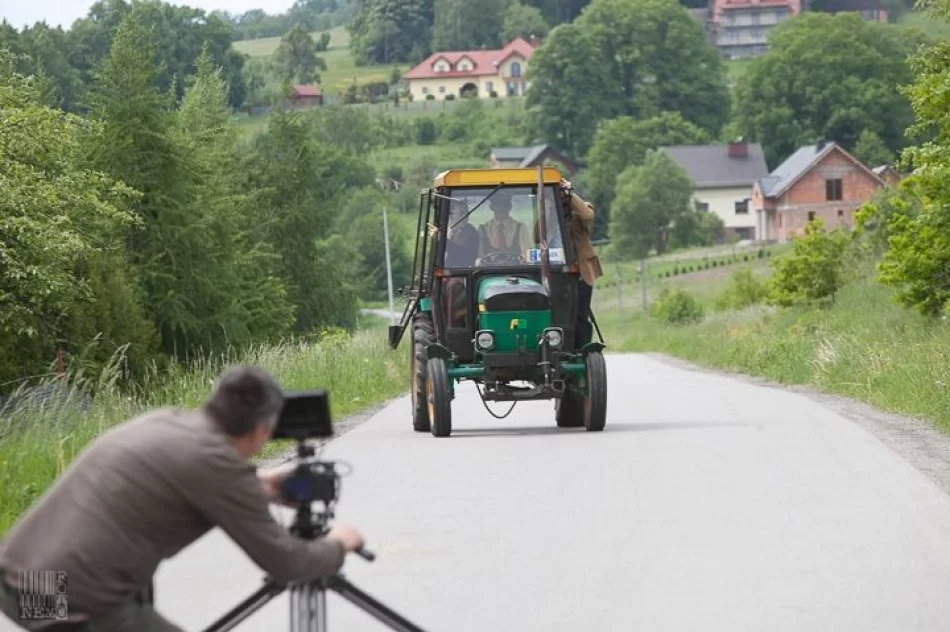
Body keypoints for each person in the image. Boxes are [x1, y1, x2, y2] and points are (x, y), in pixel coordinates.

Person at [0, 366, 366, 632]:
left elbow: (187, 474)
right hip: (67, 603)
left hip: (18, 585)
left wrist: (258, 485)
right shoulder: (218, 465)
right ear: (261, 429)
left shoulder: (168, 422)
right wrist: (340, 543)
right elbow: (287, 562)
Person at [559, 179, 603, 347]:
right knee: (560, 315)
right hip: (558, 273)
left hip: (580, 272)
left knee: (580, 315)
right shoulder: (551, 213)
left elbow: (588, 216)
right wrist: (549, 208)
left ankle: (582, 349)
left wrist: (571, 194)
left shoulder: (582, 209)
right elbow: (537, 236)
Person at [477, 190, 532, 259]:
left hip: (516, 269)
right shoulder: (483, 230)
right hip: (489, 269)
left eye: (504, 204)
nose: (501, 208)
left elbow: (527, 256)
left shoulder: (521, 228)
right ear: (491, 207)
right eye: (497, 204)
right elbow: (480, 257)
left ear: (509, 206)